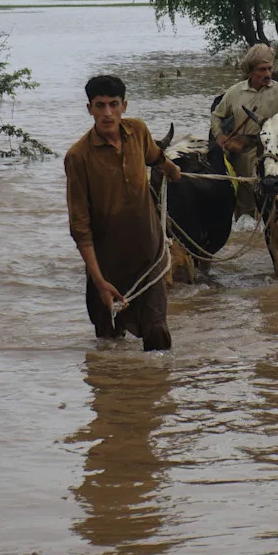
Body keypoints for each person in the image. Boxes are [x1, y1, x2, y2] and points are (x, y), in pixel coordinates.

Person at [65, 74, 181, 350]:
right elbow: (80, 227)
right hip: (108, 264)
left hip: (148, 256)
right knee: (108, 345)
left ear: (124, 106)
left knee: (158, 337)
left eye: (113, 104)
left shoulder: (138, 131)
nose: (107, 113)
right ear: (89, 109)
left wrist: (173, 170)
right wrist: (99, 281)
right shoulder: (78, 157)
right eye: (100, 105)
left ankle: (155, 390)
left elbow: (154, 156)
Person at [210, 44, 278, 219]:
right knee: (246, 208)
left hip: (275, 158)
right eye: (262, 69)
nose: (267, 74)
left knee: (277, 208)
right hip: (244, 156)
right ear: (250, 70)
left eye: (270, 68)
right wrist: (219, 135)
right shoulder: (234, 93)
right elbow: (217, 116)